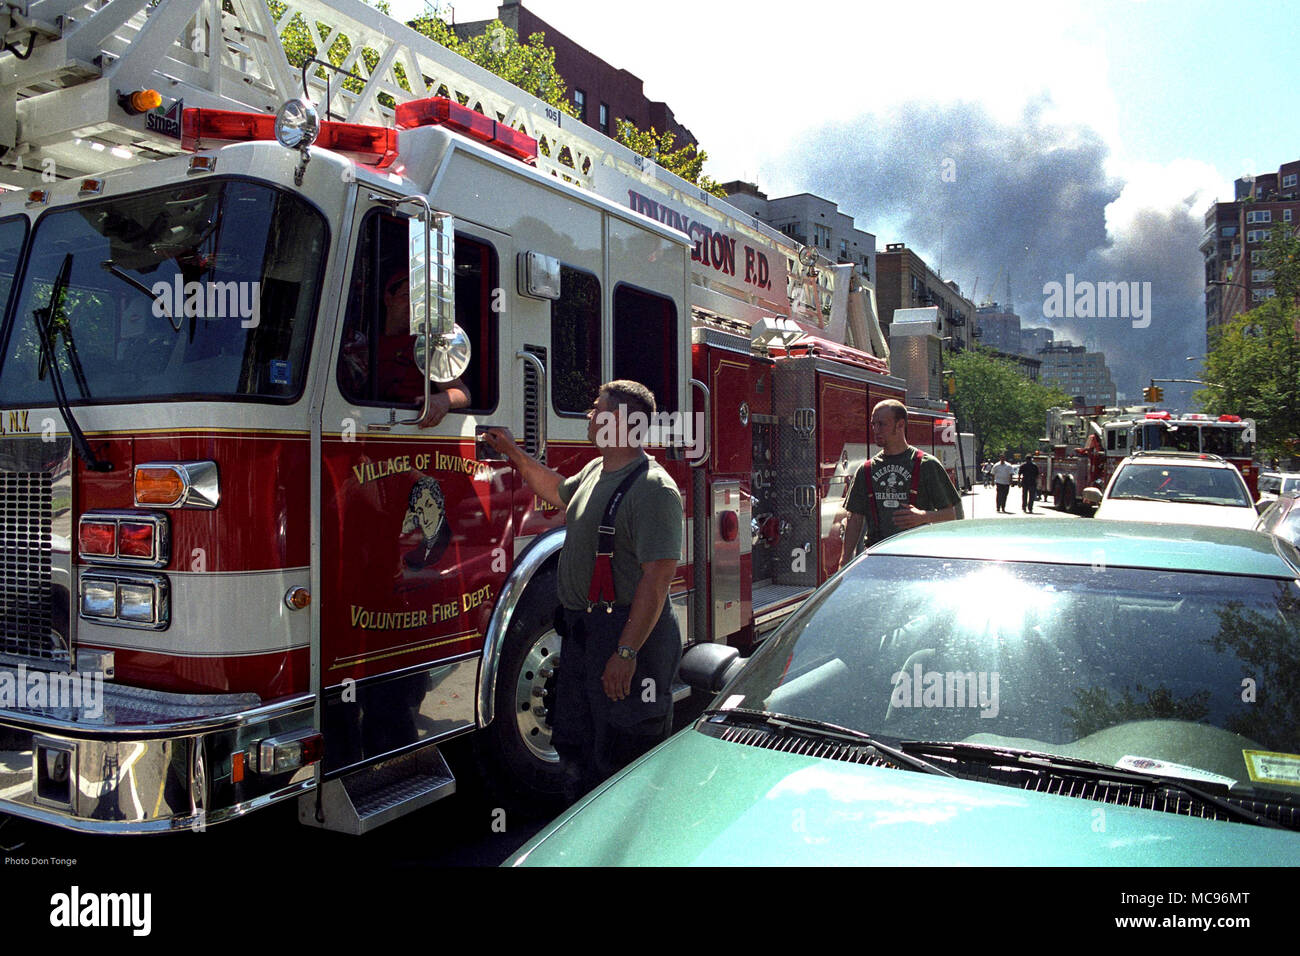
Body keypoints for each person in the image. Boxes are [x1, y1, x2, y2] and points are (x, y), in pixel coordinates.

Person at [483, 380, 683, 800]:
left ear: (622, 422)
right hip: (583, 635)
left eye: (598, 409)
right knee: (578, 747)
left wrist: (625, 654)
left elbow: (657, 578)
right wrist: (514, 453)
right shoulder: (597, 471)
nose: (589, 417)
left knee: (623, 757)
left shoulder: (654, 489)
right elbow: (556, 490)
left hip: (626, 636)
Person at [839, 399, 962, 565]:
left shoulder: (926, 464)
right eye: (873, 424)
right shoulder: (866, 470)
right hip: (878, 558)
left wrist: (923, 517)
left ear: (900, 425)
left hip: (917, 557)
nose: (876, 430)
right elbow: (855, 519)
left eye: (882, 424)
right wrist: (844, 560)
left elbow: (951, 515)